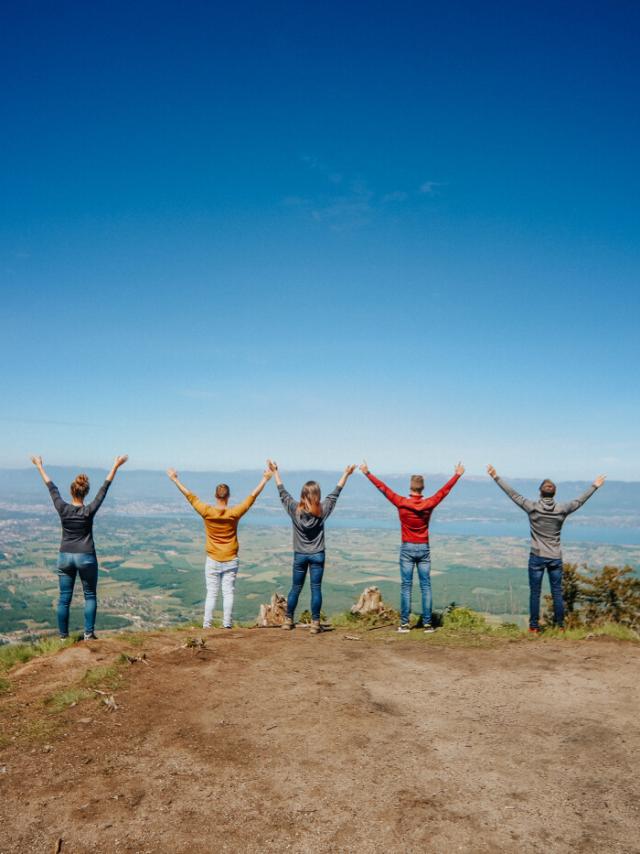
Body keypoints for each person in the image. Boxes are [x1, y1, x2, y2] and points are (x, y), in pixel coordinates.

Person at [487, 465, 606, 632]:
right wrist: (595, 486)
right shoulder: (562, 509)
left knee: (535, 593)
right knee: (557, 593)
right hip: (555, 557)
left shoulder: (532, 507)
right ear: (554, 494)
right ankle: (560, 627)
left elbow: (513, 494)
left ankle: (534, 627)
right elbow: (580, 501)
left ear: (540, 493)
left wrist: (495, 477)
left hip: (537, 556)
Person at [31, 454, 129, 640]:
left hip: (65, 555)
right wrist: (115, 465)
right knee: (90, 595)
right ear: (85, 493)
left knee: (64, 598)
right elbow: (104, 489)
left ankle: (62, 638)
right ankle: (88, 634)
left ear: (71, 492)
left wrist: (39, 466)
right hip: (86, 556)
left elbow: (51, 487)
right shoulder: (89, 510)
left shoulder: (62, 507)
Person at [360, 460, 465, 633]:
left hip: (407, 548)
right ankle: (428, 624)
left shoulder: (401, 502)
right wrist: (457, 475)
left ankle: (404, 624)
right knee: (426, 586)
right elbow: (443, 492)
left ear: (411, 487)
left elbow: (383, 489)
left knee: (406, 586)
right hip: (423, 548)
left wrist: (367, 473)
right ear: (422, 488)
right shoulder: (429, 503)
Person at [167, 467, 272, 629]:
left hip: (213, 559)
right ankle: (227, 625)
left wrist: (175, 480)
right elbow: (252, 497)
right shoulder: (234, 513)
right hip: (231, 558)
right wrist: (265, 479)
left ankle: (207, 626)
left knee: (212, 593)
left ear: (215, 496)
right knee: (228, 593)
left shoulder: (207, 511)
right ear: (228, 496)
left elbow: (189, 496)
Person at [268, 460, 356, 634]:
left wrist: (275, 472)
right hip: (317, 554)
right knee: (316, 588)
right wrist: (346, 474)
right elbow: (335, 493)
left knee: (296, 588)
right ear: (318, 495)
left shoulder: (294, 509)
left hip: (300, 555)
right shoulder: (322, 510)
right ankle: (315, 623)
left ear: (302, 494)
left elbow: (282, 492)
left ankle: (288, 620)